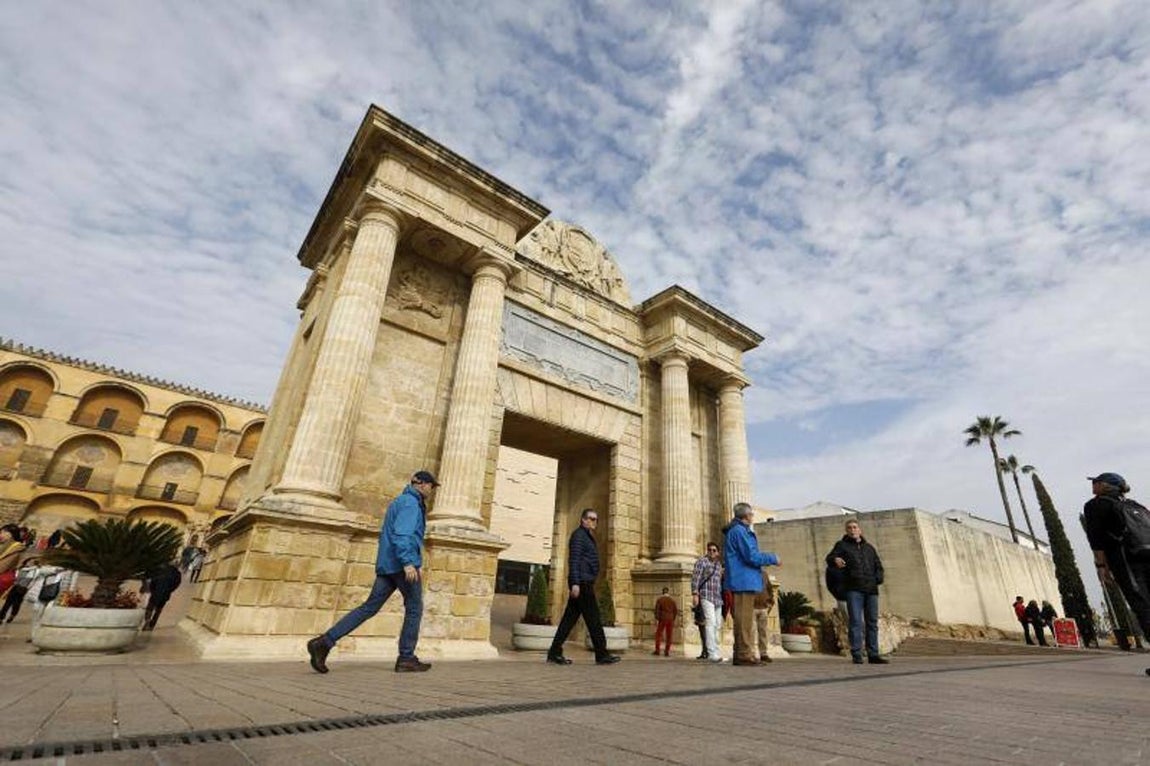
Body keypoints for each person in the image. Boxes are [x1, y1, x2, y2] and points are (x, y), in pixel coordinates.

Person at [307, 470, 439, 674]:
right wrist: (408, 562)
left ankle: (324, 642)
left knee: (368, 608)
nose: (431, 490)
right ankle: (406, 658)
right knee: (414, 609)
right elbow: (402, 534)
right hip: (403, 566)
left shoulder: (399, 501)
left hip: (387, 565)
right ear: (422, 484)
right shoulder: (411, 504)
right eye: (431, 486)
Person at [1082, 472, 1150, 674]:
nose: (1093, 484)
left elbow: (1096, 539)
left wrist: (1101, 566)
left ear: (1105, 486)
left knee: (1143, 606)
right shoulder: (1135, 505)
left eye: (1096, 482)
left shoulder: (1095, 505)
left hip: (1126, 562)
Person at [546, 508, 620, 666]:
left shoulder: (586, 536)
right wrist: (575, 583)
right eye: (591, 519)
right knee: (594, 620)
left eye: (596, 520)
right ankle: (602, 654)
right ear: (583, 520)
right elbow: (574, 561)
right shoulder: (579, 536)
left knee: (568, 621)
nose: (594, 522)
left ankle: (554, 652)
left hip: (584, 582)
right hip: (582, 584)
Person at [723, 502, 779, 667]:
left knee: (744, 620)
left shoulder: (737, 531)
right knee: (744, 621)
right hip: (743, 581)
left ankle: (741, 653)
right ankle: (744, 654)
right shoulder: (740, 531)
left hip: (743, 580)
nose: (753, 517)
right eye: (752, 514)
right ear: (747, 516)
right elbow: (751, 556)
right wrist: (773, 558)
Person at [827, 518, 888, 665]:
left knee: (872, 622)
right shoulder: (841, 546)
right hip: (854, 590)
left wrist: (877, 579)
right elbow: (829, 558)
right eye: (849, 528)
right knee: (855, 622)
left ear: (860, 530)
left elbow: (878, 566)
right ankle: (857, 654)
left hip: (871, 590)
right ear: (846, 531)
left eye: (855, 527)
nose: (852, 530)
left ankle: (873, 654)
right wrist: (835, 560)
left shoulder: (869, 548)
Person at [691, 541, 724, 662]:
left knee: (717, 625)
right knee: (710, 623)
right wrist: (695, 594)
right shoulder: (702, 562)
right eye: (709, 549)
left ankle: (716, 650)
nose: (711, 552)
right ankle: (711, 653)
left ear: (718, 553)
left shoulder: (719, 565)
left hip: (717, 598)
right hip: (706, 595)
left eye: (714, 550)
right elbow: (695, 577)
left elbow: (719, 581)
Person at [143, 561, 183, 631]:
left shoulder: (161, 570)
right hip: (165, 593)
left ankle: (147, 621)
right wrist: (169, 590)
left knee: (150, 607)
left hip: (156, 591)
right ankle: (152, 624)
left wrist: (153, 589)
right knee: (159, 609)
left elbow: (153, 580)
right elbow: (176, 584)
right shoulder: (177, 574)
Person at [1, 557, 38, 623]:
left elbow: (32, 581)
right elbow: (15, 579)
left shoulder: (34, 571)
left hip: (23, 589)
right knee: (7, 602)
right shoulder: (21, 569)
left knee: (16, 604)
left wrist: (28, 589)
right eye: (29, 562)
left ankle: (12, 615)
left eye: (32, 562)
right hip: (15, 587)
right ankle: (1, 617)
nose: (29, 563)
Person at [753, 572, 775, 663]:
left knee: (763, 632)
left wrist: (770, 603)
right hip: (751, 608)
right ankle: (752, 654)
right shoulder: (748, 574)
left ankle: (763, 654)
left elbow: (770, 589)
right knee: (751, 632)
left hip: (763, 607)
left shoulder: (764, 575)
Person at [0, 525, 26, 599]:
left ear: (10, 534)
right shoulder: (4, 545)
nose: (0, 535)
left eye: (2, 532)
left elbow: (3, 566)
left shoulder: (16, 548)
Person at [653, 587, 677, 657]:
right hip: (670, 618)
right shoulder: (672, 601)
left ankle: (657, 650)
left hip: (662, 618)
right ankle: (667, 651)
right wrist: (673, 618)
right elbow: (675, 611)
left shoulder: (660, 600)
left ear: (662, 592)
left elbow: (657, 610)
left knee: (659, 634)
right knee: (669, 635)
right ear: (668, 592)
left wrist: (657, 618)